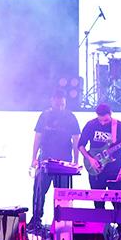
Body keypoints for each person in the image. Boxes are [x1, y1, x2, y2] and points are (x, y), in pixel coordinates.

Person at [77, 103, 121, 240]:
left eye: (106, 120)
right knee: (98, 203)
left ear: (111, 114)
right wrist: (90, 159)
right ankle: (100, 236)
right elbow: (80, 145)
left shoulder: (119, 126)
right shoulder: (91, 125)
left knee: (118, 203)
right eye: (100, 120)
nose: (103, 123)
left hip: (115, 171)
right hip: (96, 170)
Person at [29, 91, 80, 230]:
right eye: (58, 104)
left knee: (63, 194)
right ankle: (36, 220)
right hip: (45, 161)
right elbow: (37, 137)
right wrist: (33, 158)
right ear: (52, 101)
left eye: (62, 104)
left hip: (64, 163)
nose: (60, 107)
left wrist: (76, 161)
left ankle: (61, 221)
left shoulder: (70, 117)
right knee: (39, 192)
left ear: (65, 102)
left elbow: (76, 140)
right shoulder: (44, 116)